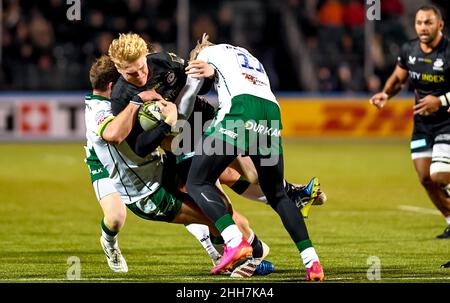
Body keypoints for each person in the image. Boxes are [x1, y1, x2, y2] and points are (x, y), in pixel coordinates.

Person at [85, 55, 273, 277]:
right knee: (213, 216)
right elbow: (114, 134)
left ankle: (271, 207)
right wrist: (147, 107)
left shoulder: (124, 99)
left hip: (158, 168)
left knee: (220, 192)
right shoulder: (101, 111)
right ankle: (240, 259)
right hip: (145, 191)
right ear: (112, 84)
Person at [179, 34, 325, 281]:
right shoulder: (245, 54)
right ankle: (312, 262)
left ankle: (234, 241)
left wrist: (175, 122)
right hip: (271, 114)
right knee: (277, 194)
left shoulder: (203, 56)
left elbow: (187, 99)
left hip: (242, 110)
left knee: (196, 181)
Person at [370, 5, 450, 239]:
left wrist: (442, 100)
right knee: (426, 178)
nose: (423, 27)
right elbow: (398, 78)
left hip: (447, 122)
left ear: (440, 25)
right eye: (419, 23)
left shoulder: (448, 52)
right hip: (422, 124)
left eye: (428, 23)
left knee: (439, 175)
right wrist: (386, 93)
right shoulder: (409, 49)